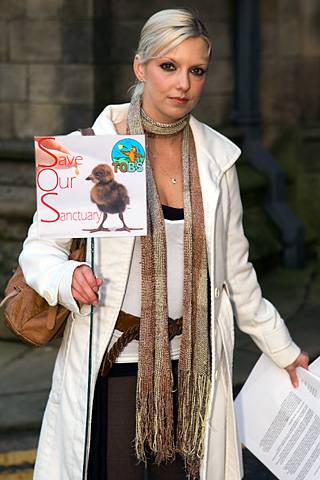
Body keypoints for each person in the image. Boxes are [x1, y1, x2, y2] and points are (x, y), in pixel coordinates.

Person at [19, 8, 308, 480]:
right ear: (140, 67)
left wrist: (282, 348)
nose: (183, 84)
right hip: (116, 361)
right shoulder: (93, 149)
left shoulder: (218, 159)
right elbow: (38, 250)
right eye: (168, 67)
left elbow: (237, 274)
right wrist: (67, 276)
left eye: (196, 71)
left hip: (191, 368)